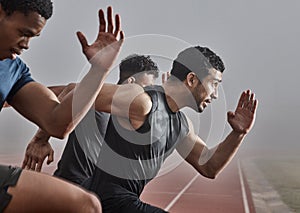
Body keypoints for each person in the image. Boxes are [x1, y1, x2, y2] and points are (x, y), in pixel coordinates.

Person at [24, 45, 258, 212]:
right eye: (214, 85)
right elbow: (77, 92)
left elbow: (209, 166)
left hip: (124, 203)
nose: (216, 94)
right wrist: (41, 138)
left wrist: (238, 134)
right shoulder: (142, 101)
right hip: (105, 200)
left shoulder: (181, 125)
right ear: (192, 79)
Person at [0, 0, 124, 211]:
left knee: (86, 205)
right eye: (23, 32)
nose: (26, 44)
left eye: (33, 37)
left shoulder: (13, 70)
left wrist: (99, 71)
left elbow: (57, 123)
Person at [23, 54, 160, 186]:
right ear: (131, 82)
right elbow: (69, 89)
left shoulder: (135, 116)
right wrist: (41, 139)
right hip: (74, 185)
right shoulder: (96, 99)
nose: (148, 94)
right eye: (146, 88)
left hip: (101, 191)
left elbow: (61, 90)